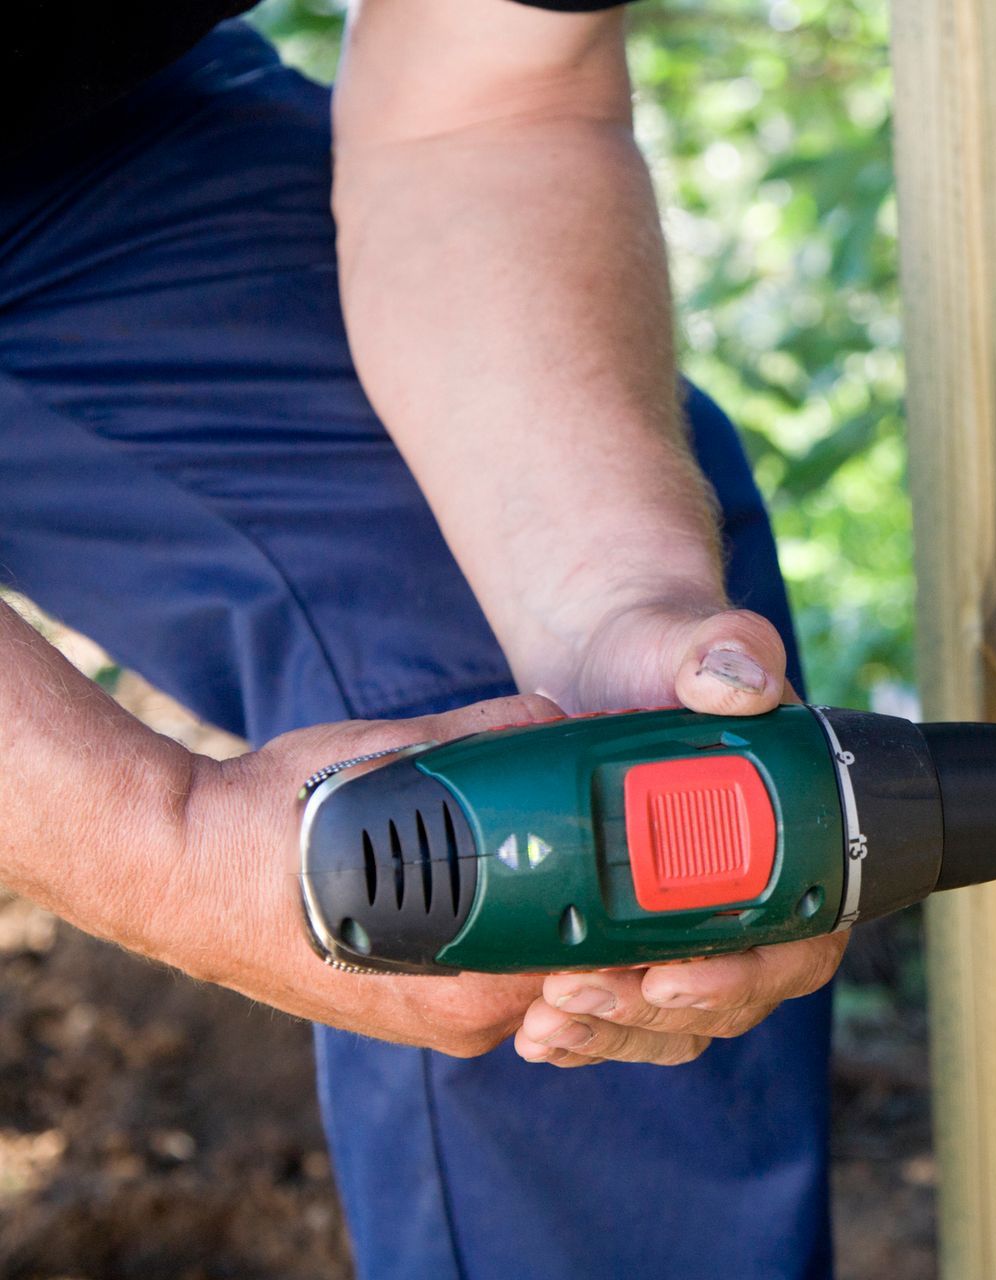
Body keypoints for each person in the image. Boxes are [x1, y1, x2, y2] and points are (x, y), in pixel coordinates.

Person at [0, 2, 846, 1275]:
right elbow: (162, 844)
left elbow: (489, 100)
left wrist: (615, 602)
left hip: (69, 144)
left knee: (528, 714)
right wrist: (167, 845)